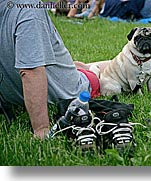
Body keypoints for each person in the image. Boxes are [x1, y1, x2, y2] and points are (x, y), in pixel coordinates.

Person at [0, 0, 100, 139]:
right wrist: (41, 129)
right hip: (74, 89)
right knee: (104, 72)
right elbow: (31, 72)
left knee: (85, 67)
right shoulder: (28, 9)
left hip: (67, 73)